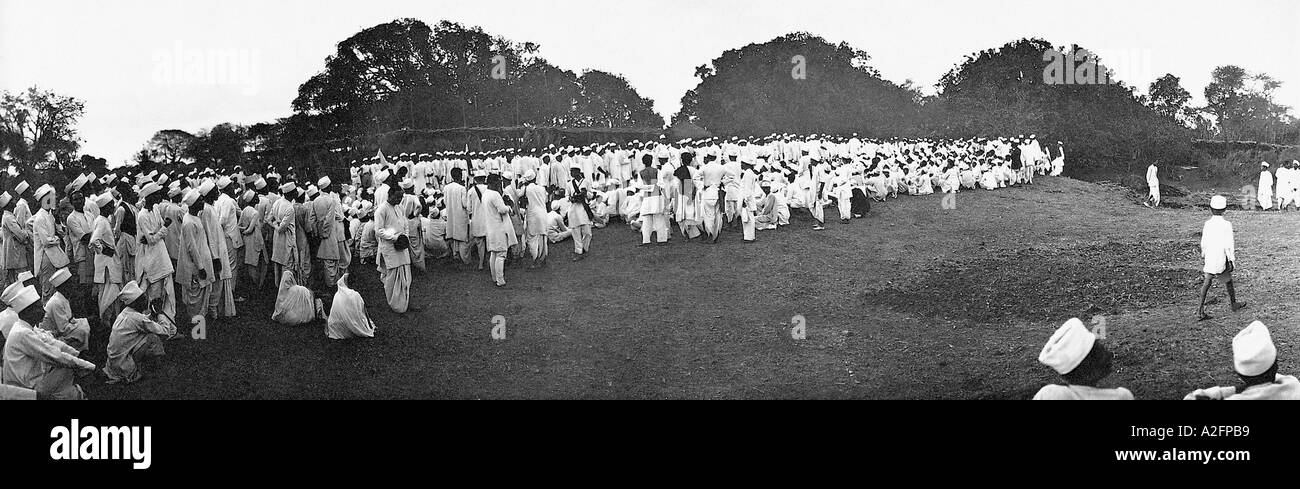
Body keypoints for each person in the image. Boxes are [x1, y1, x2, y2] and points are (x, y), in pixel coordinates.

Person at [1, 285, 95, 399]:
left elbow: (51, 343)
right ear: (28, 312)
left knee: (67, 364)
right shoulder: (22, 333)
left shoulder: (25, 327)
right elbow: (54, 355)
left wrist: (76, 354)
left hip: (31, 380)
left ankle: (70, 392)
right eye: (39, 308)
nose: (44, 310)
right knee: (65, 366)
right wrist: (89, 366)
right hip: (24, 389)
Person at [1184, 321, 1300, 400]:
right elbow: (1277, 381)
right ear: (1276, 366)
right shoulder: (1293, 388)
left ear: (1239, 373)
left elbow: (1192, 397)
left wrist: (1227, 391)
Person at [1033, 318, 1133, 400]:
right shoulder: (1121, 396)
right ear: (1088, 368)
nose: (1109, 355)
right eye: (1100, 354)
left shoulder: (1051, 395)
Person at [104, 280, 177, 384]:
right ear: (134, 303)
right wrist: (160, 313)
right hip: (124, 365)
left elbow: (142, 321)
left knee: (145, 335)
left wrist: (152, 314)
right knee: (153, 338)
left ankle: (142, 366)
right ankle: (157, 370)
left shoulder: (124, 314)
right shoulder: (137, 318)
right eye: (142, 299)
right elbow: (165, 331)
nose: (146, 300)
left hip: (114, 363)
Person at [1197, 195, 1247, 320]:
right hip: (1221, 255)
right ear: (1224, 209)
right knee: (1227, 280)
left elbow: (1204, 241)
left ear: (1210, 209)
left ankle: (1200, 309)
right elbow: (1229, 244)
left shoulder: (1207, 224)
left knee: (1208, 281)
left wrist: (1204, 253)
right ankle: (1233, 303)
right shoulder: (1226, 224)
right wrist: (1231, 259)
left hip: (1210, 255)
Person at [135, 182, 175, 322]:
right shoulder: (142, 215)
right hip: (151, 257)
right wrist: (164, 228)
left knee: (164, 290)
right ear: (150, 197)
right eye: (156, 194)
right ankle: (153, 321)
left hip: (160, 254)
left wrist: (159, 230)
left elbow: (155, 233)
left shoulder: (155, 209)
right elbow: (151, 239)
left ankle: (164, 320)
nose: (159, 196)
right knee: (154, 292)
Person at [177, 190, 214, 321]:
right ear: (193, 204)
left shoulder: (195, 217)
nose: (203, 203)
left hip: (202, 262)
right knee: (195, 298)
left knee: (201, 297)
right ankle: (197, 330)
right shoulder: (188, 223)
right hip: (196, 267)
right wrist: (200, 267)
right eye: (200, 201)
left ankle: (199, 326)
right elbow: (192, 248)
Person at [375, 185, 412, 312]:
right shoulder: (381, 210)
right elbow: (379, 231)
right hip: (390, 247)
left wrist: (404, 236)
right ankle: (395, 304)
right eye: (397, 197)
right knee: (393, 277)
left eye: (401, 197)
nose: (399, 200)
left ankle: (405, 301)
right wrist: (395, 238)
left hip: (402, 245)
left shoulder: (400, 207)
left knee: (405, 274)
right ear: (389, 195)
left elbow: (405, 223)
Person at [89, 192, 123, 325]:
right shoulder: (102, 221)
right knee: (107, 295)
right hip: (107, 265)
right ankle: (106, 323)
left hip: (108, 263)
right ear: (105, 207)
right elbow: (93, 241)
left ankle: (111, 321)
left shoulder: (102, 220)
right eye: (111, 205)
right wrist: (104, 250)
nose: (113, 207)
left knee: (110, 294)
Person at [31, 184, 68, 300]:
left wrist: (57, 220)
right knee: (47, 287)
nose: (55, 199)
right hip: (45, 256)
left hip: (53, 255)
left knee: (56, 286)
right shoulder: (39, 218)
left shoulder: (50, 215)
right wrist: (56, 239)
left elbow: (62, 232)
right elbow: (46, 241)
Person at [39, 268, 89, 352]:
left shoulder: (63, 298)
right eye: (70, 284)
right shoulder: (56, 302)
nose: (73, 286)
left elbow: (69, 319)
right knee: (82, 331)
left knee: (85, 324)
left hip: (61, 330)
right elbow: (63, 329)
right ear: (64, 286)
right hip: (51, 335)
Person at [327, 273, 376, 340]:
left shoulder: (337, 294)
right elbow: (362, 311)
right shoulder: (355, 295)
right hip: (350, 322)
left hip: (337, 325)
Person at [1, 192, 30, 290]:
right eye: (12, 200)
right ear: (8, 204)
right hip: (15, 252)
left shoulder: (8, 216)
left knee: (14, 278)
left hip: (13, 251)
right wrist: (26, 234)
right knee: (21, 277)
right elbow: (20, 234)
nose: (15, 202)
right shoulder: (9, 218)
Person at [521, 171, 549, 268]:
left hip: (533, 215)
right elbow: (545, 200)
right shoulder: (542, 188)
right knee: (543, 237)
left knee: (532, 238)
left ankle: (535, 260)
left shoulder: (526, 188)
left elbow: (520, 197)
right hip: (543, 214)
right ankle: (543, 258)